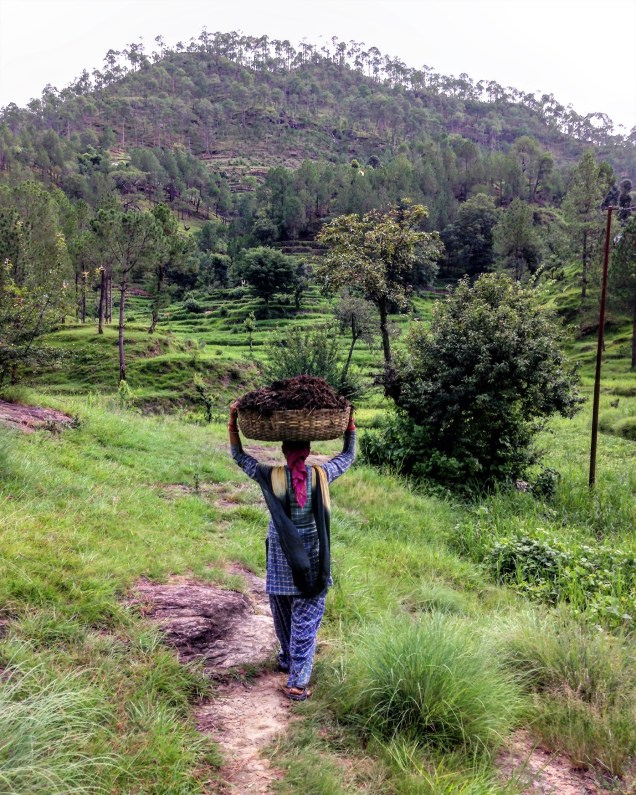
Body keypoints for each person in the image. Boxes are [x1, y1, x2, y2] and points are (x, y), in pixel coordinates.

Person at [228, 402, 356, 701]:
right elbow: (347, 455)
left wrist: (233, 420)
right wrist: (350, 424)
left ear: (284, 452)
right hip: (312, 564)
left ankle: (288, 659)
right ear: (308, 451)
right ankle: (297, 682)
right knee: (306, 621)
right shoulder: (322, 475)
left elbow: (238, 455)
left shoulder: (269, 476)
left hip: (280, 562)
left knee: (284, 616)